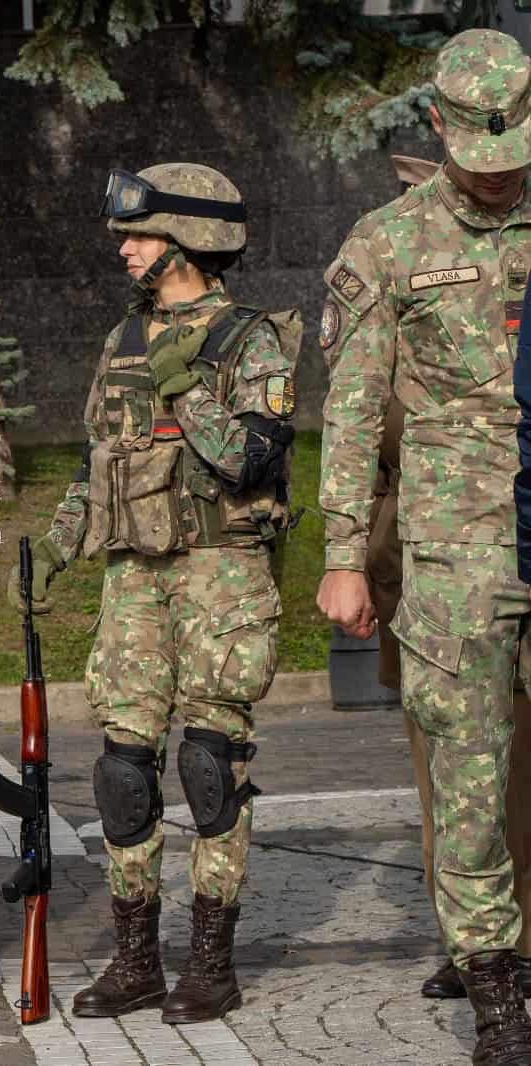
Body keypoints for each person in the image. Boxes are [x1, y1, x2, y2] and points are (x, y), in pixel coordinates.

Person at [19, 163, 298, 1025]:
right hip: (134, 576)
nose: (126, 252)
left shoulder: (254, 338)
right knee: (122, 772)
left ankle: (210, 965)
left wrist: (188, 391)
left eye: (137, 238)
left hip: (222, 572)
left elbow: (253, 454)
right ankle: (135, 960)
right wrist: (59, 546)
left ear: (185, 242)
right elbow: (98, 461)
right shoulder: (122, 340)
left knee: (210, 766)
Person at [318, 28, 531, 1064]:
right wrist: (344, 550)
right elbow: (352, 412)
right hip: (454, 550)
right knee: (468, 775)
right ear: (438, 127)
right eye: (482, 165)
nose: (499, 185)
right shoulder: (387, 243)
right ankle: (495, 992)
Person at [364, 153, 531, 1004]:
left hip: (500, 539)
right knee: (451, 761)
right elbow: (369, 444)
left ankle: (515, 934)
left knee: (513, 767)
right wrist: (359, 560)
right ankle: (472, 945)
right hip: (429, 558)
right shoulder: (392, 278)